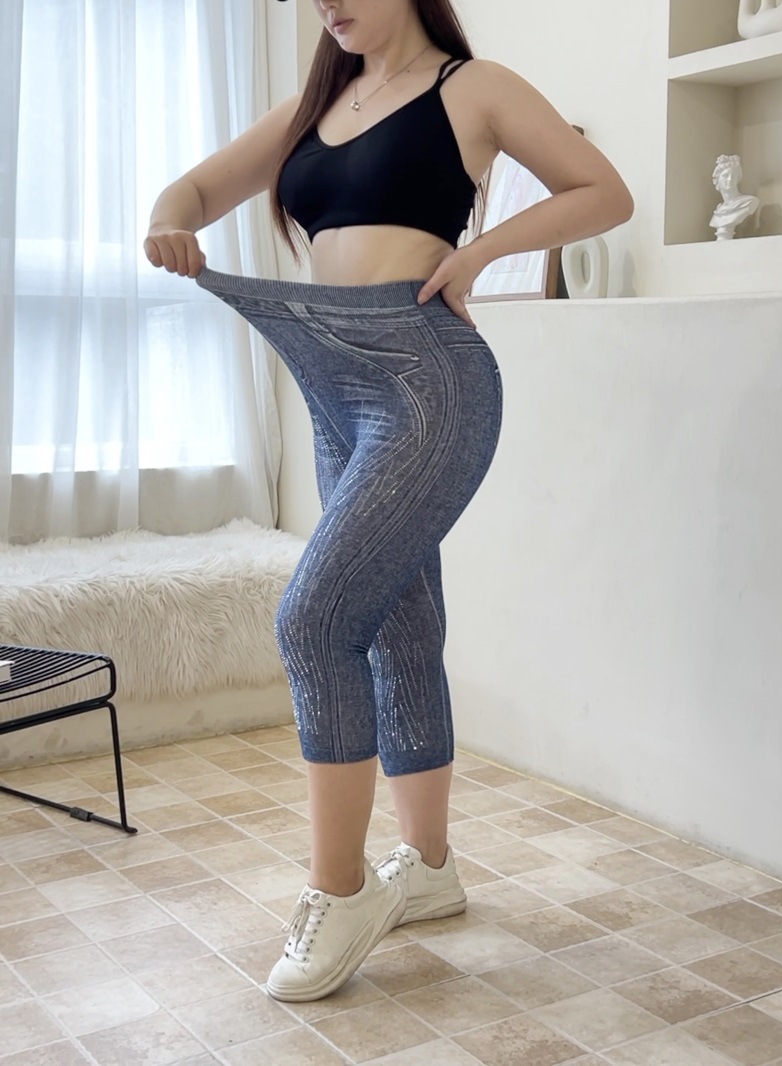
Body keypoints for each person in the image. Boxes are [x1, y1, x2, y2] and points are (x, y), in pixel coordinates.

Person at [144, 0, 633, 1003]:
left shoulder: (471, 88)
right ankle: (431, 868)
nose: (327, 5)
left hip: (426, 381)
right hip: (331, 389)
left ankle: (340, 888)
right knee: (399, 625)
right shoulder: (313, 106)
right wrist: (169, 223)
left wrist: (478, 254)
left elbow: (604, 191)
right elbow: (193, 189)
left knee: (314, 620)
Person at [709, 154, 759, 241]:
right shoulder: (719, 211)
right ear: (718, 180)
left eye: (733, 175)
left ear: (738, 178)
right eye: (725, 176)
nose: (730, 179)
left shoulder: (749, 202)